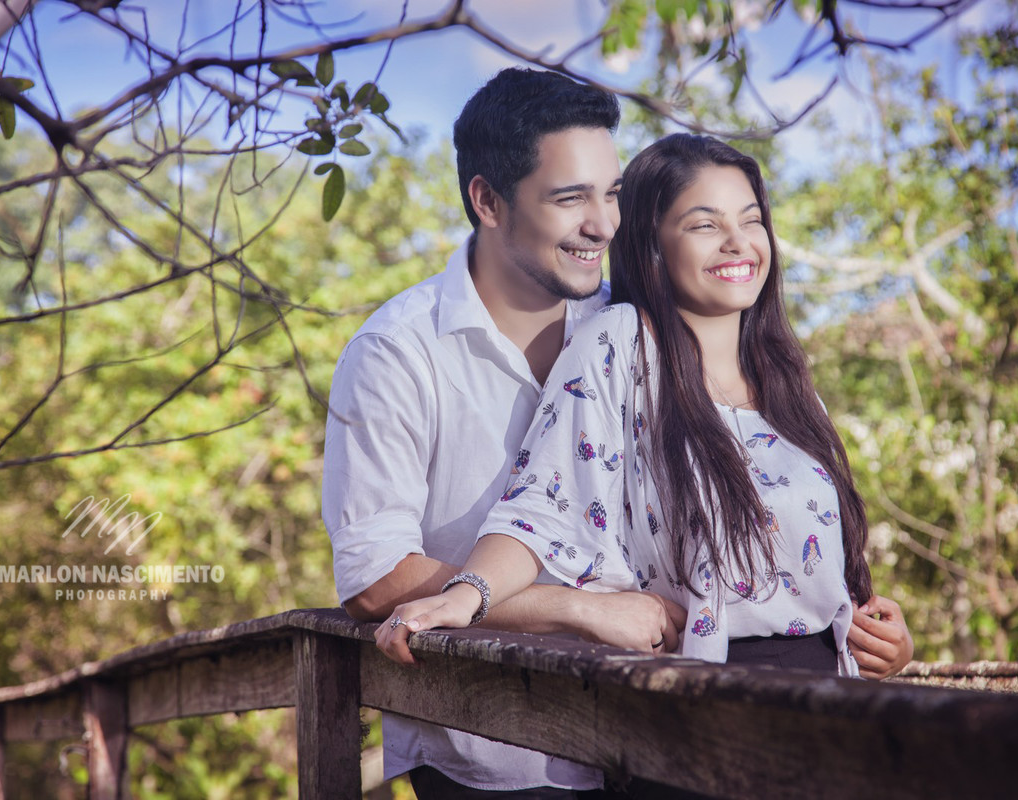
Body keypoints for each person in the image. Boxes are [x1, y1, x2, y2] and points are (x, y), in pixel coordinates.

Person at [375, 134, 913, 687]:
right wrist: (466, 596)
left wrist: (881, 639)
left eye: (750, 221)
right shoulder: (621, 345)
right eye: (705, 225)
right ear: (654, 244)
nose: (737, 242)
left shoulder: (788, 381)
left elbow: (808, 560)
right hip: (703, 692)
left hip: (831, 694)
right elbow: (543, 505)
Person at [323, 68, 688, 798]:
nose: (605, 224)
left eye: (610, 193)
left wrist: (845, 621)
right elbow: (374, 578)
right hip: (488, 755)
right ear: (487, 199)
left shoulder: (638, 327)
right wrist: (579, 611)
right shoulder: (396, 351)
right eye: (569, 198)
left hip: (652, 738)